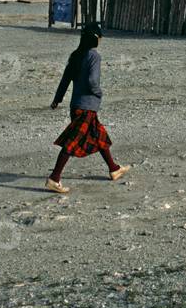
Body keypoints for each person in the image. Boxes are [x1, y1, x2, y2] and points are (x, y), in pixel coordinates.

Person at [46, 23, 130, 193]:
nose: (100, 41)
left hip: (76, 105)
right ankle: (54, 179)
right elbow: (93, 82)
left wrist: (57, 99)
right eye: (100, 38)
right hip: (87, 107)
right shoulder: (94, 56)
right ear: (95, 39)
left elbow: (65, 79)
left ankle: (114, 169)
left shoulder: (76, 55)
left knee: (99, 136)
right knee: (71, 143)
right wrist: (99, 93)